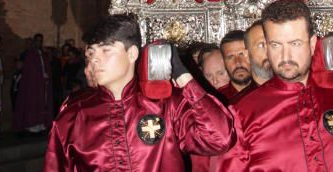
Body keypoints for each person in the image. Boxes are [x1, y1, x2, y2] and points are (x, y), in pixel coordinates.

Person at [217, 0, 333, 172]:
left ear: (312, 44)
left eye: (295, 43)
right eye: (275, 45)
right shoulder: (244, 113)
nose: (285, 56)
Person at [44, 14, 235, 171]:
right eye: (91, 53)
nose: (94, 60)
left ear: (132, 54)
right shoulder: (73, 114)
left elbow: (219, 139)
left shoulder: (165, 104)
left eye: (106, 51)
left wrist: (183, 76)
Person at [13, 33, 53, 135]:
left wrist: (46, 75)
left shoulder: (43, 55)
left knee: (42, 103)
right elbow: (28, 72)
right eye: (37, 40)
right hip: (33, 86)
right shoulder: (30, 54)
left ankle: (41, 124)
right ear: (35, 42)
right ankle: (32, 125)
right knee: (33, 104)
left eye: (41, 40)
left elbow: (46, 68)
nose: (39, 42)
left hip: (43, 85)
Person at [218, 30, 253, 101]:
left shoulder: (270, 94)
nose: (238, 62)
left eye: (242, 55)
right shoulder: (217, 100)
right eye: (230, 57)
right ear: (223, 62)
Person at [243, 21, 273, 87]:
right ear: (247, 55)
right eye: (261, 45)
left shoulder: (296, 93)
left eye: (273, 44)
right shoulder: (246, 97)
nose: (269, 51)